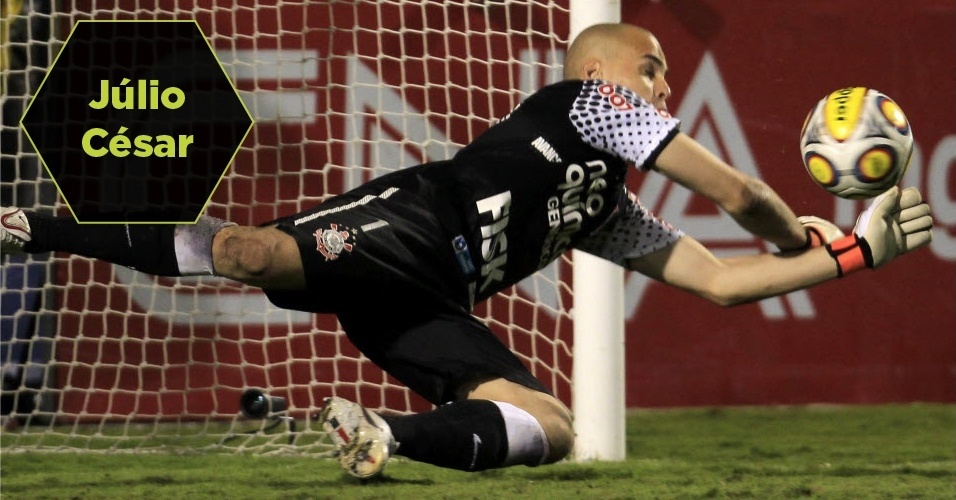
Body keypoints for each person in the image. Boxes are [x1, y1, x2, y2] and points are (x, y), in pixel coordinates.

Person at [0, 23, 934, 478]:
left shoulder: (600, 211)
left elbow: (725, 284)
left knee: (554, 429)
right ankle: (31, 226)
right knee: (245, 253)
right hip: (406, 224)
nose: (664, 78)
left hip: (430, 307)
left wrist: (857, 255)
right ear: (608, 73)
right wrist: (803, 226)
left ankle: (380, 436)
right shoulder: (584, 105)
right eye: (653, 65)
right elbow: (743, 198)